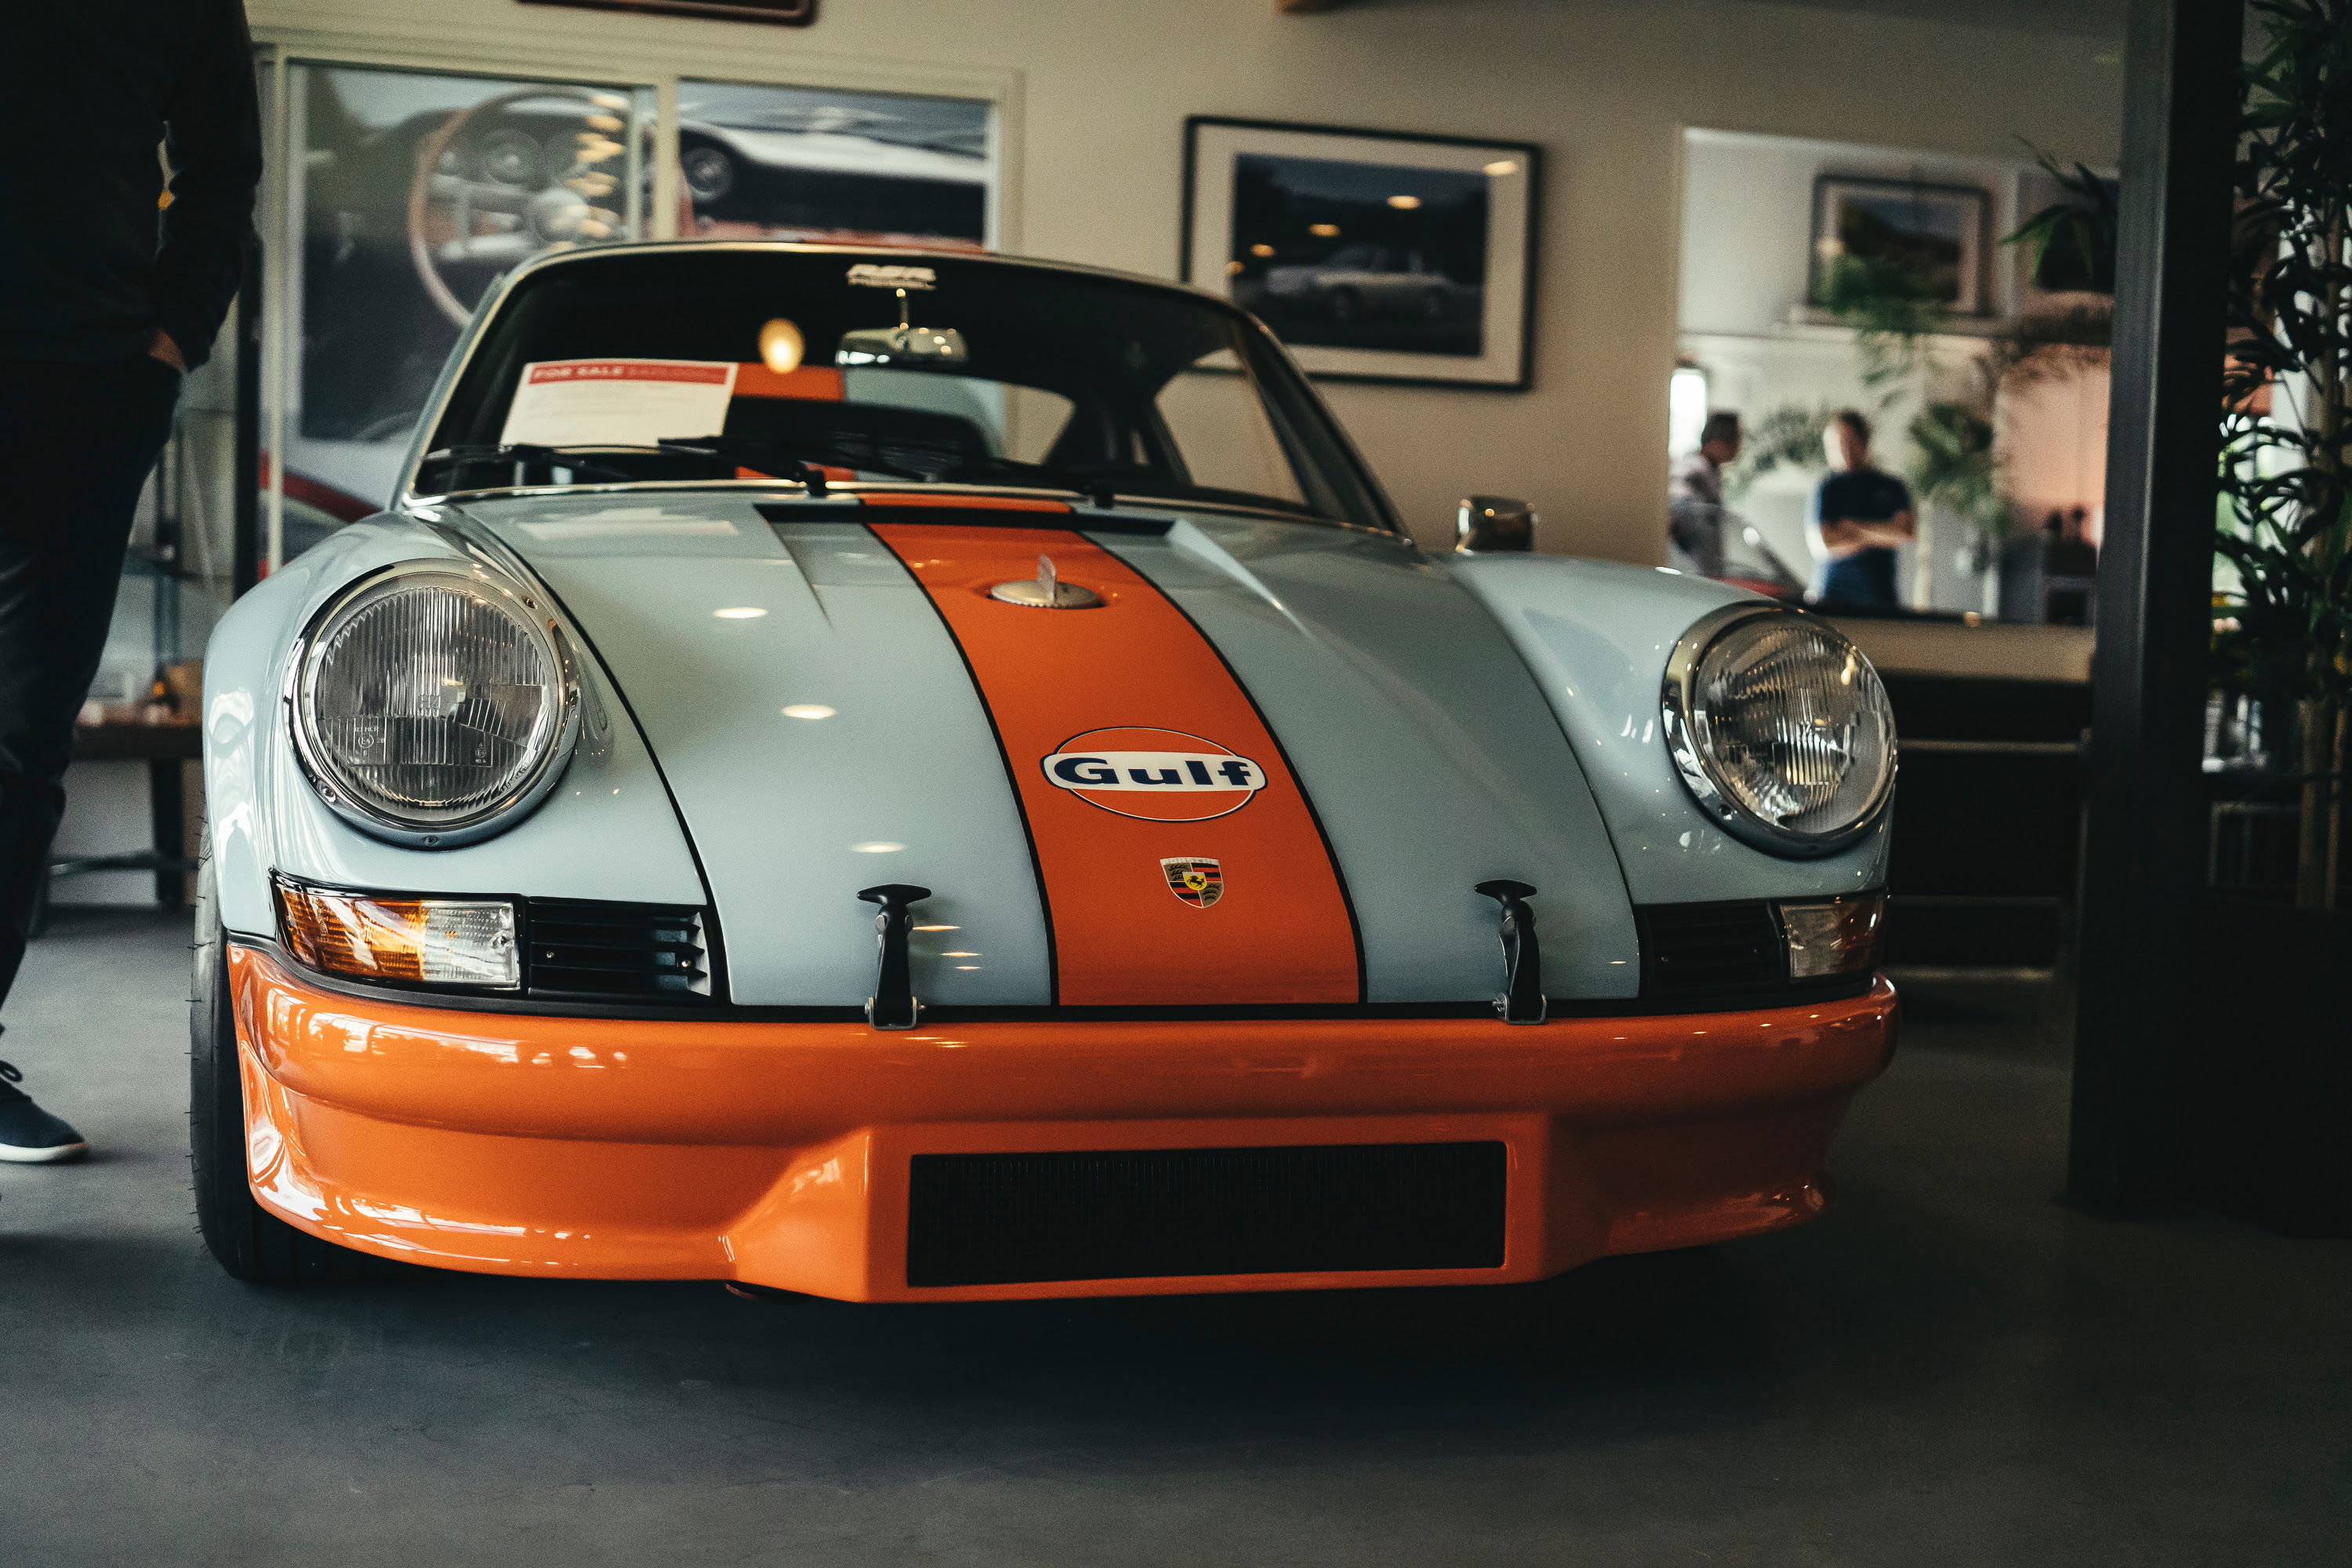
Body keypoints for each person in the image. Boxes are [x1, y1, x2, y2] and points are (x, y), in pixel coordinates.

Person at [0, 2, 263, 1163]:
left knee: (16, 745)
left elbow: (224, 164)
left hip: (81, 386)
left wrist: (171, 341)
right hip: (86, 383)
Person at [1808, 409, 1915, 608]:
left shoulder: (1892, 486)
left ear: (1864, 442)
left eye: (1848, 442)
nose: (1842, 451)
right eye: (1834, 445)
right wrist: (1880, 534)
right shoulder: (1826, 489)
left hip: (1879, 597)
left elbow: (1904, 532)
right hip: (1831, 597)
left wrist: (1853, 529)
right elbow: (1824, 544)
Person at [1668, 410, 1742, 579]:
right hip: (1692, 577)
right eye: (1736, 440)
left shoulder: (1710, 471)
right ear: (1720, 441)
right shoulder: (1693, 469)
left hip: (1707, 575)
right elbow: (1676, 509)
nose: (1739, 447)